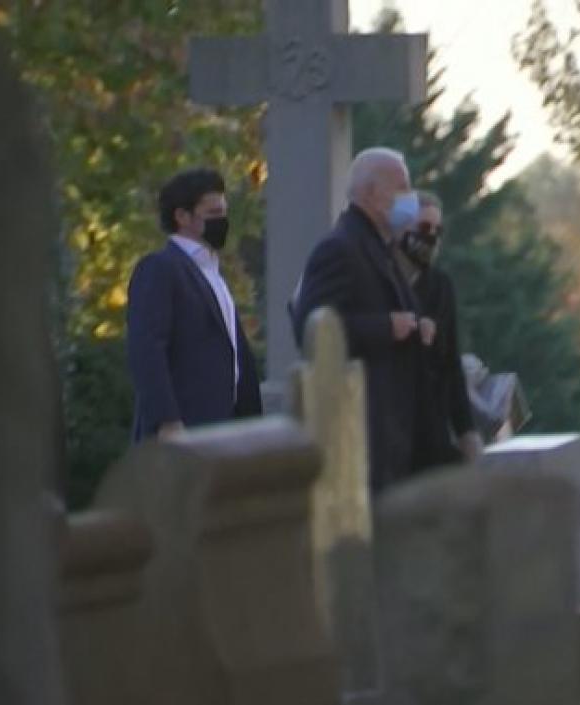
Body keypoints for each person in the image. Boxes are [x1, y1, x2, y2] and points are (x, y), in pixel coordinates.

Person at [292, 147, 423, 493]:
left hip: (392, 429)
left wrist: (416, 325)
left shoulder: (381, 247)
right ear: (370, 193)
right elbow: (312, 329)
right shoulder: (340, 249)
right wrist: (385, 328)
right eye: (401, 187)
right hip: (363, 427)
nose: (409, 198)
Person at [126, 167, 262, 441]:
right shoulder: (161, 269)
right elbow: (147, 350)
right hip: (184, 431)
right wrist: (167, 420)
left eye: (223, 213)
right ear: (182, 216)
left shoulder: (213, 274)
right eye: (212, 214)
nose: (222, 221)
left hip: (226, 430)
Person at [394, 191, 484, 469]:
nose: (430, 236)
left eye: (437, 230)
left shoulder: (440, 286)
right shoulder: (382, 281)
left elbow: (450, 364)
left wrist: (467, 432)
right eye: (423, 228)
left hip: (432, 431)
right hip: (392, 430)